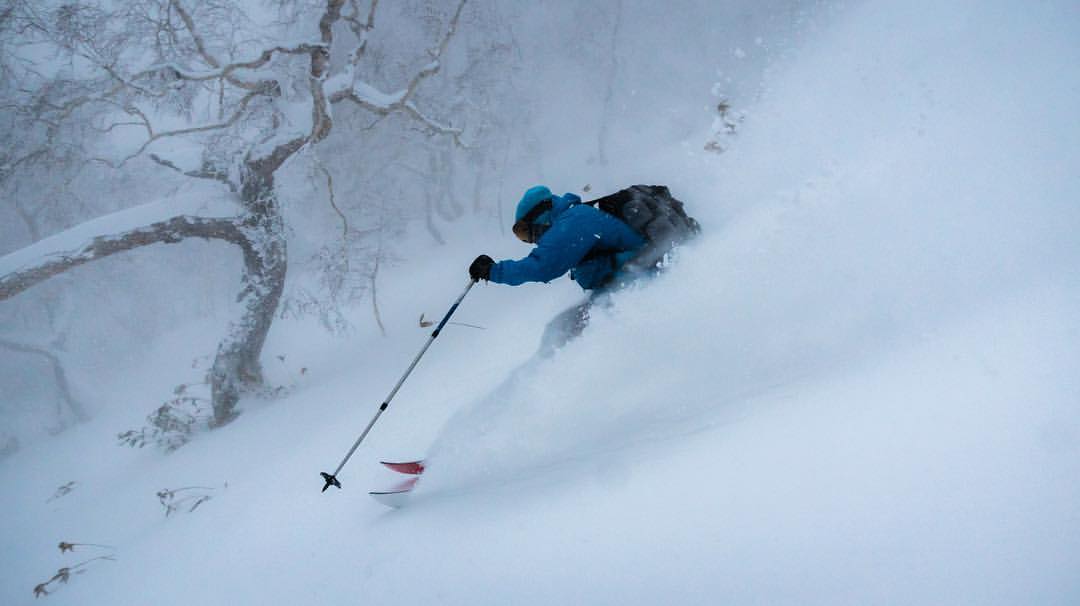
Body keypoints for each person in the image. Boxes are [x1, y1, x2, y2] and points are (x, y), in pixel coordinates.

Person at [467, 185, 655, 354]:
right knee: (560, 329)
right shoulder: (574, 218)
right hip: (629, 277)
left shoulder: (573, 222)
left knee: (562, 331)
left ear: (540, 215)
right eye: (522, 236)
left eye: (525, 231)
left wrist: (492, 271)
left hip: (641, 275)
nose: (530, 240)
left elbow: (542, 267)